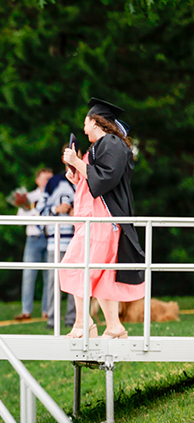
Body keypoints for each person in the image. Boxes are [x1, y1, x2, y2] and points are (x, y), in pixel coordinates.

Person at [60, 98, 145, 339]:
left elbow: (106, 178)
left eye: (85, 123)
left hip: (101, 221)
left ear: (95, 121)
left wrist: (77, 161)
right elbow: (97, 179)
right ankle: (114, 326)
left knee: (75, 266)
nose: (84, 128)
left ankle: (82, 323)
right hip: (97, 220)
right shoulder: (103, 145)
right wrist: (77, 176)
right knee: (101, 276)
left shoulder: (111, 142)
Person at [39, 151, 77, 329]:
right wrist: (57, 209)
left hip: (77, 241)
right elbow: (40, 211)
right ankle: (52, 319)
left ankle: (73, 318)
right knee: (54, 282)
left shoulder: (84, 179)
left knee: (76, 282)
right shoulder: (54, 182)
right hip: (56, 240)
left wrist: (76, 213)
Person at [13, 168, 52, 321]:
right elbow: (19, 218)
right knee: (29, 274)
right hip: (33, 238)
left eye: (50, 178)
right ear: (37, 180)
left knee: (50, 276)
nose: (47, 181)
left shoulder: (54, 196)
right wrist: (35, 213)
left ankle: (47, 310)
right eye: (44, 178)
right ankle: (26, 311)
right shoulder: (28, 197)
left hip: (50, 237)